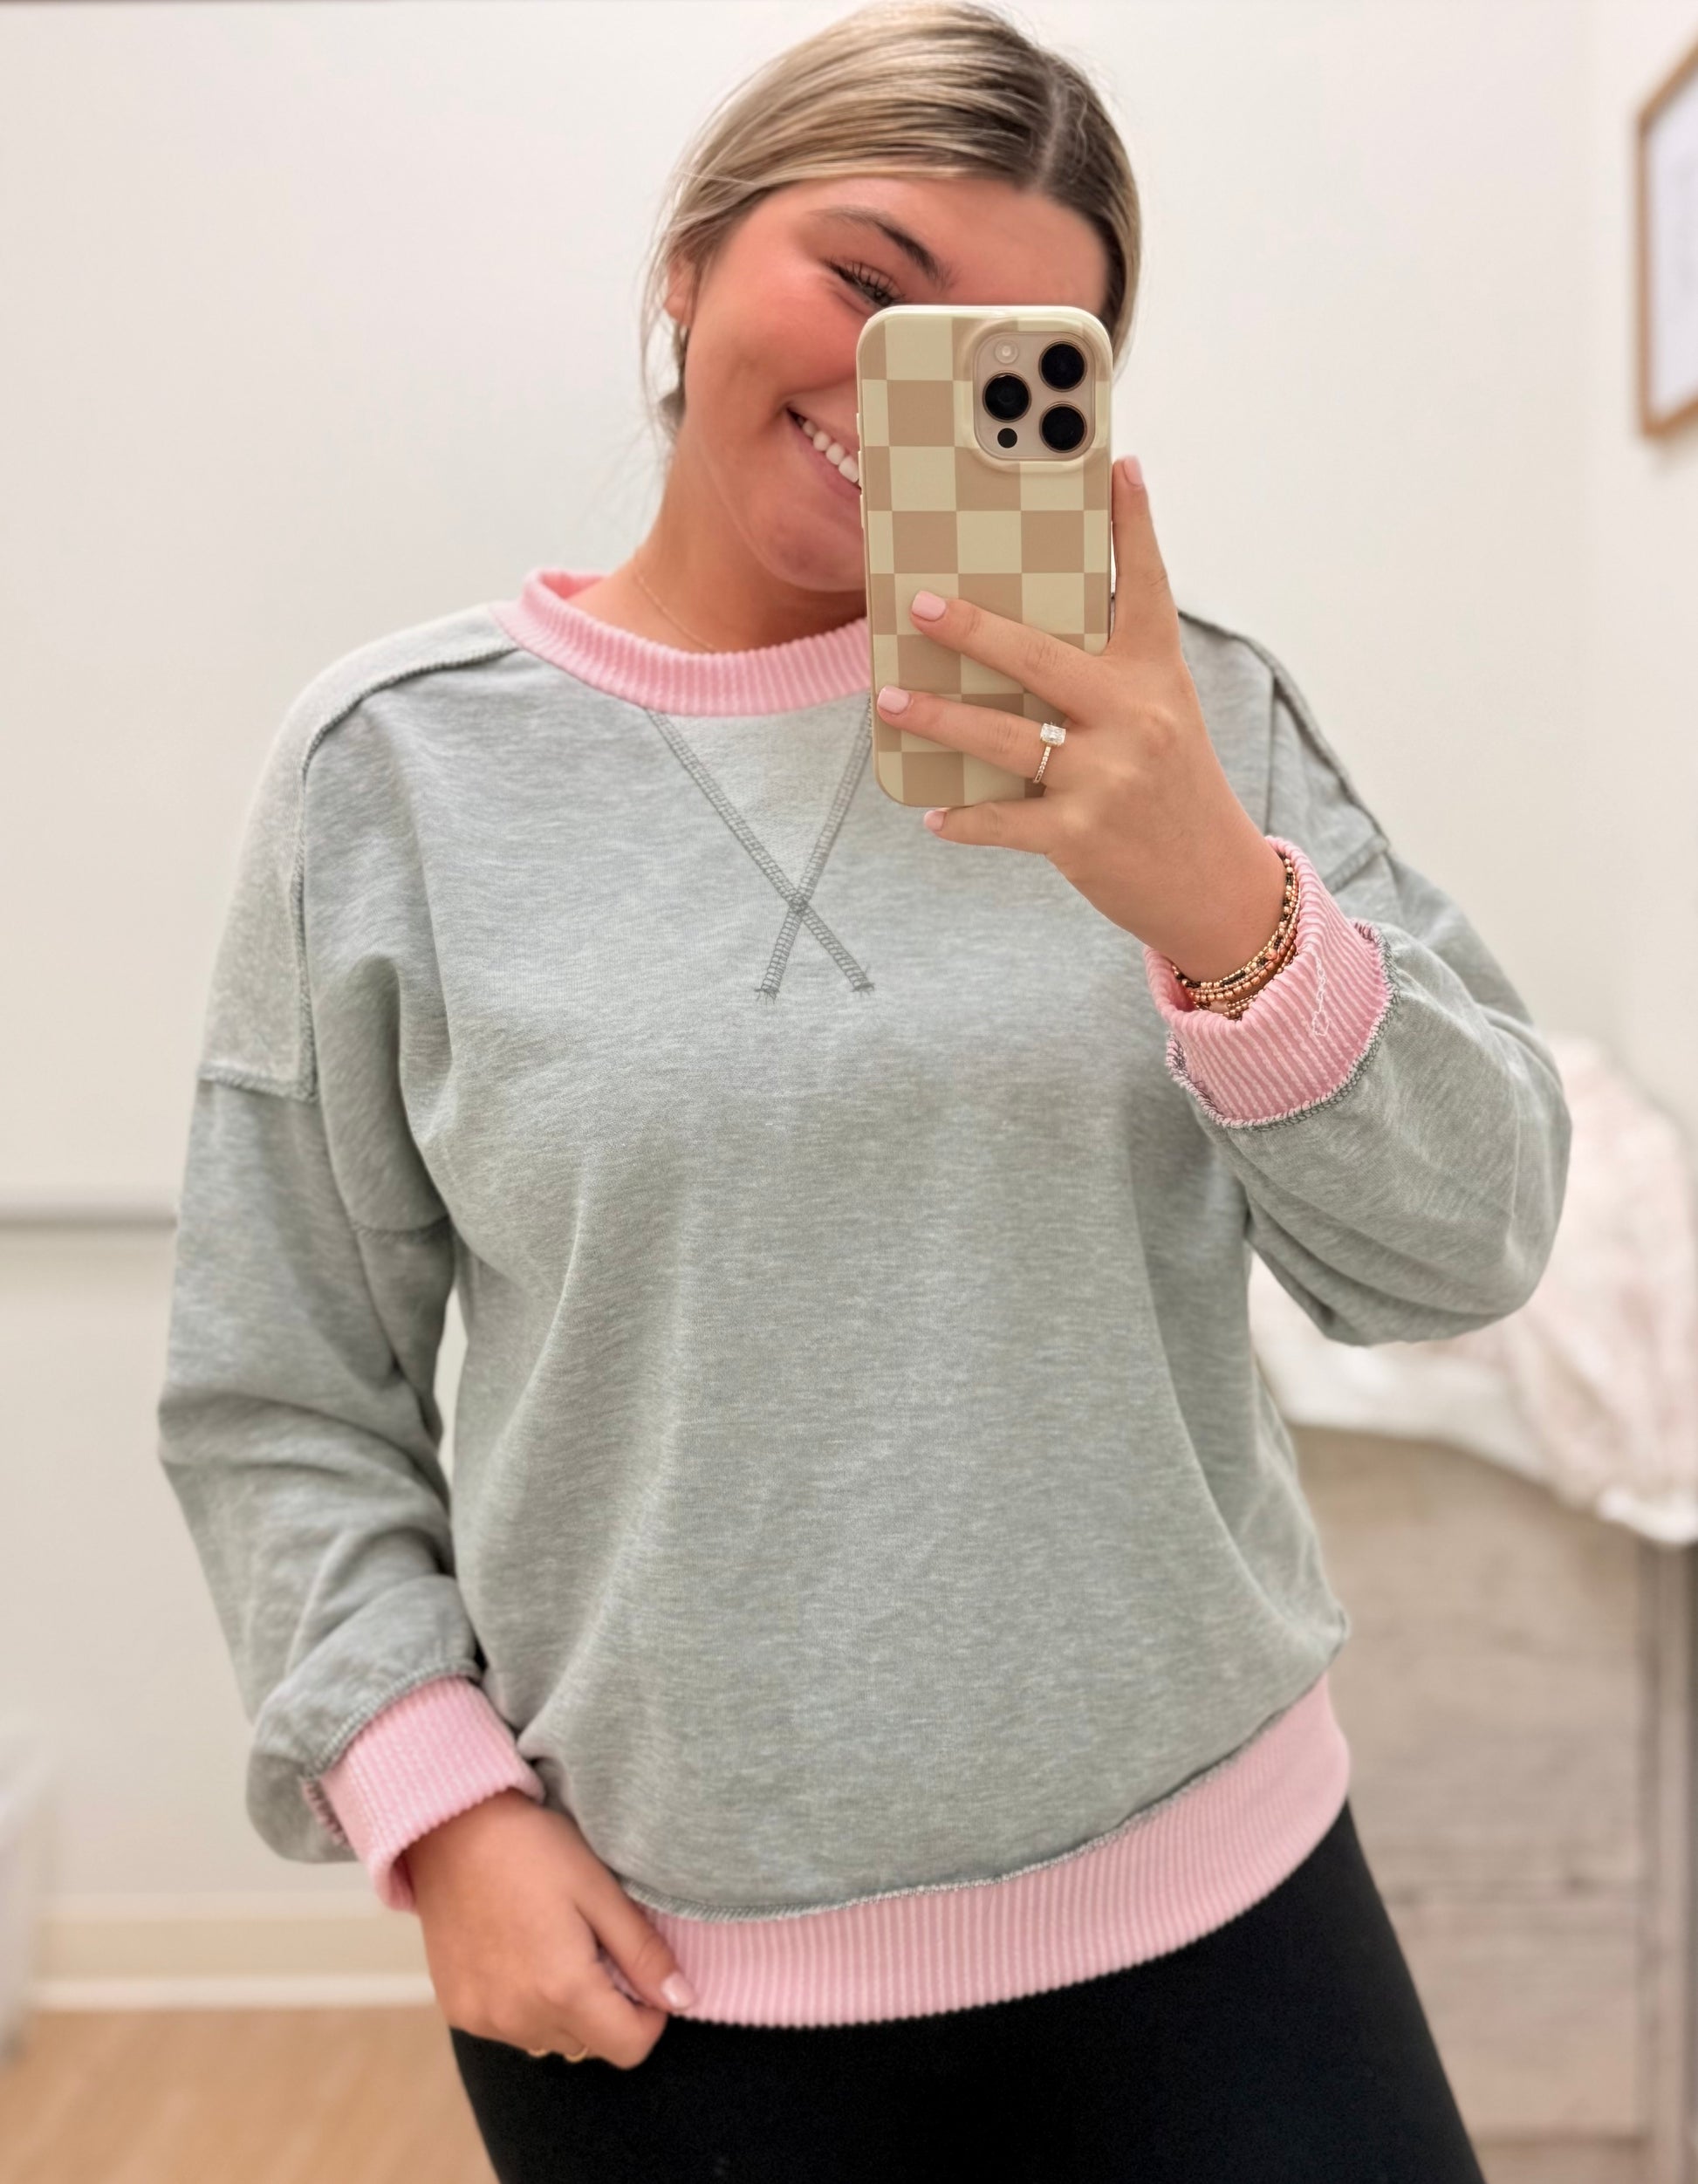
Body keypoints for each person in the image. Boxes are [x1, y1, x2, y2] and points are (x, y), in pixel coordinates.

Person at [155, 4, 1571, 2178]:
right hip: (666, 1987)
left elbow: (1465, 1251)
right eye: (868, 281)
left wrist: (1220, 904)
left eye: (1011, 349)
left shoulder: (1188, 722)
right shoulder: (396, 773)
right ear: (690, 262)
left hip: (1226, 1930)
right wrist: (431, 1800)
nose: (902, 382)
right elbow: (278, 1383)